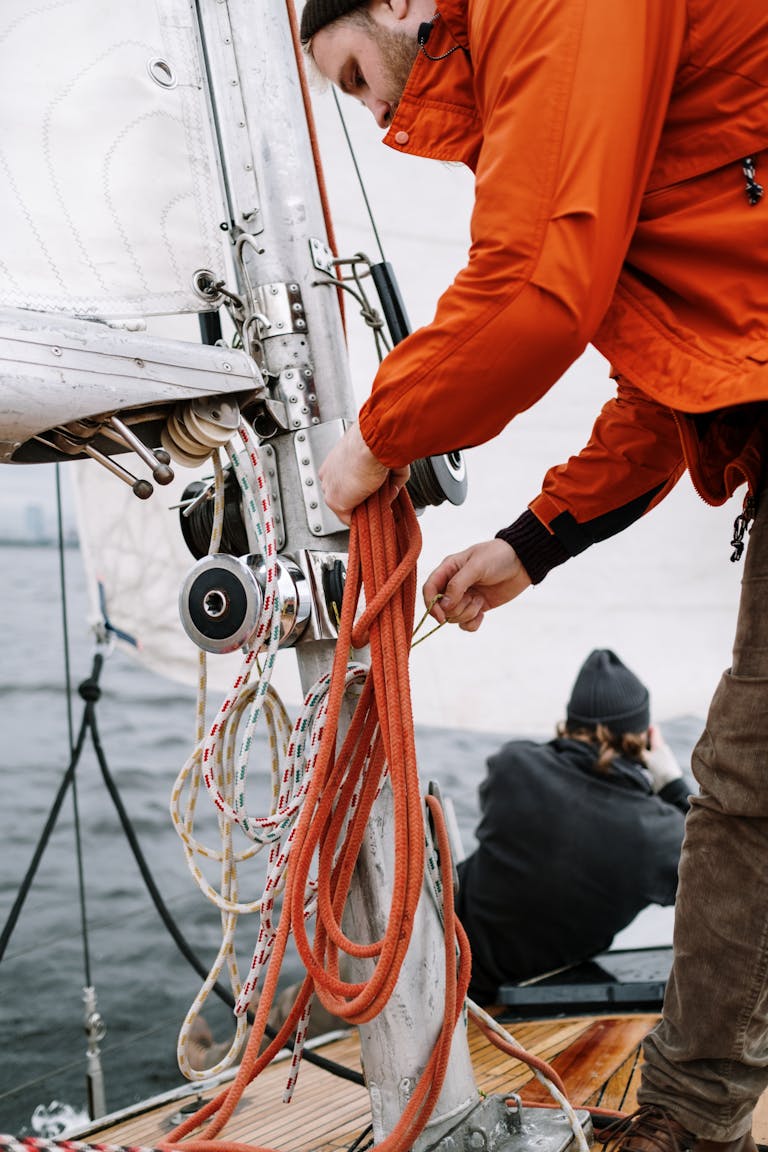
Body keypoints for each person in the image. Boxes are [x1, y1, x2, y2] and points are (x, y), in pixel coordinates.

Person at [298, 3, 768, 1152]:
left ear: (404, 2)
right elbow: (670, 392)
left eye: (355, 74)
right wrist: (531, 542)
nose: (371, 112)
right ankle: (694, 1122)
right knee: (745, 795)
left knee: (749, 797)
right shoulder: (604, 123)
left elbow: (532, 289)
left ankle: (693, 1126)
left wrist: (368, 446)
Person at [455, 649, 689, 1006]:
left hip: (444, 956)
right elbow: (715, 868)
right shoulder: (657, 835)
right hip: (529, 994)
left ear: (570, 724)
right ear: (645, 737)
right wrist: (671, 783)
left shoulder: (511, 766)